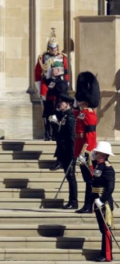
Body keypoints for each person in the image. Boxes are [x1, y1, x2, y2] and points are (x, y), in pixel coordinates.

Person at [34, 28, 69, 141]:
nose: (54, 50)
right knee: (47, 110)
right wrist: (41, 90)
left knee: (58, 109)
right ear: (48, 48)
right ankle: (47, 132)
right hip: (47, 86)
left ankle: (56, 132)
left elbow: (66, 72)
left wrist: (65, 86)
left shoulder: (63, 57)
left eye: (55, 48)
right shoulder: (43, 57)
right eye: (51, 48)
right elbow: (37, 74)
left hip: (59, 86)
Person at [74, 72, 100, 214]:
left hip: (86, 152)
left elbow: (90, 136)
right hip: (80, 149)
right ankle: (87, 205)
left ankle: (89, 205)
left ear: (86, 100)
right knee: (87, 179)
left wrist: (84, 152)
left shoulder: (89, 114)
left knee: (89, 180)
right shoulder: (83, 113)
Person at [50, 94, 77, 209]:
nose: (59, 104)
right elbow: (59, 135)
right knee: (69, 177)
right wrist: (54, 124)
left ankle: (73, 201)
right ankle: (72, 201)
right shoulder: (64, 116)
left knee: (71, 177)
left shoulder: (70, 117)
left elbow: (71, 136)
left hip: (68, 151)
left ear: (68, 104)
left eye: (62, 103)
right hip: (63, 151)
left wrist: (73, 153)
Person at [90, 141, 116, 262]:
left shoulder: (108, 168)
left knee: (105, 229)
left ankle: (107, 255)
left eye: (98, 152)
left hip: (103, 202)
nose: (96, 153)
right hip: (96, 199)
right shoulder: (98, 165)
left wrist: (101, 200)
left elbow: (110, 188)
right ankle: (103, 252)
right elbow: (91, 180)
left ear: (104, 154)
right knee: (102, 228)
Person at [43, 60, 68, 145]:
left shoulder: (61, 80)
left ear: (57, 70)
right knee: (48, 119)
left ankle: (55, 135)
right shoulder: (55, 80)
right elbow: (48, 83)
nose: (51, 71)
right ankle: (48, 134)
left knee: (55, 123)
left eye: (52, 69)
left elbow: (61, 94)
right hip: (50, 105)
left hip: (56, 105)